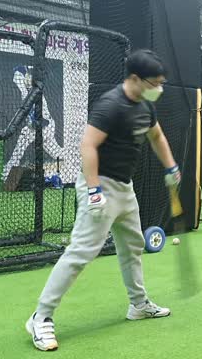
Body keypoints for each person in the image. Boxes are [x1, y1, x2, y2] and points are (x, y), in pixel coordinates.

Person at [25, 49, 182, 351]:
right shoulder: (111, 105)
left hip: (125, 187)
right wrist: (94, 190)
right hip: (100, 186)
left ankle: (138, 304)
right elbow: (88, 146)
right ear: (135, 79)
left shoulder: (145, 106)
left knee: (133, 246)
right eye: (155, 82)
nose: (159, 88)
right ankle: (40, 316)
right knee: (81, 252)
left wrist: (171, 166)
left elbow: (157, 136)